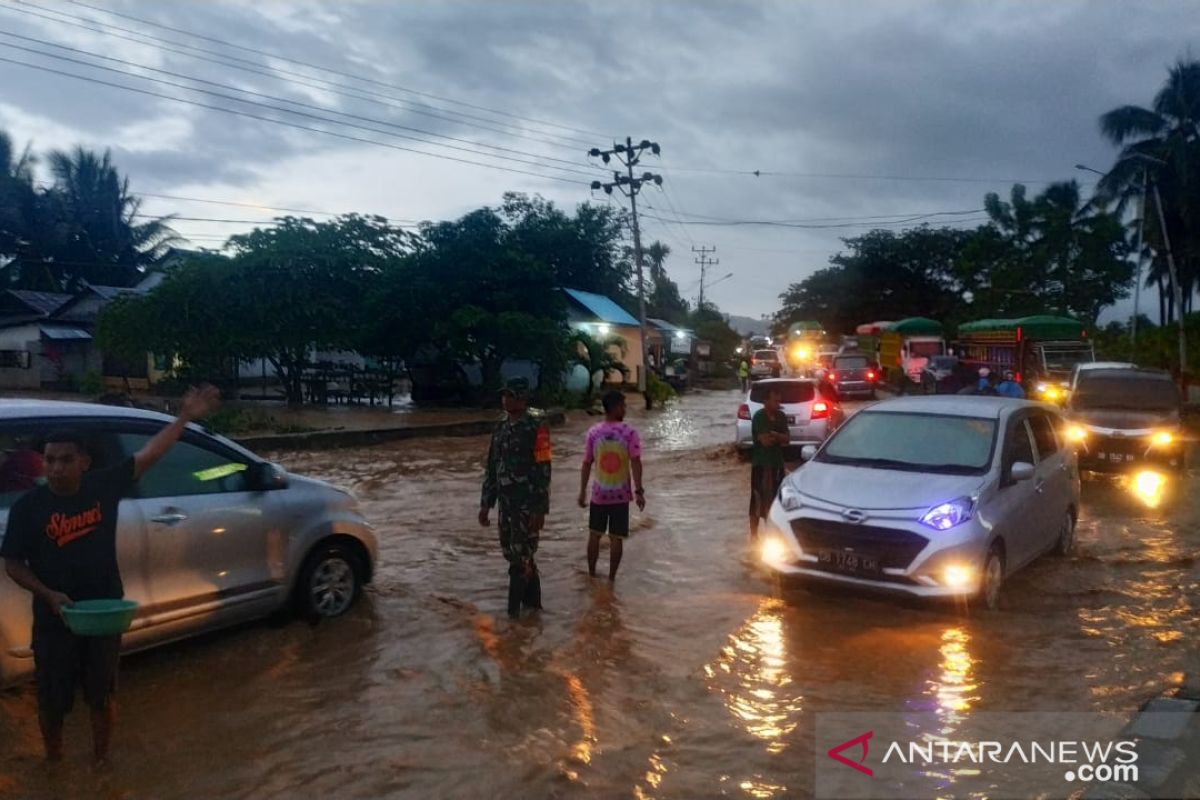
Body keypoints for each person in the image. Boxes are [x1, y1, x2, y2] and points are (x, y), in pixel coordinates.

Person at [1, 385, 221, 766]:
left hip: (103, 612)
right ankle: (55, 764)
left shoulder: (103, 486)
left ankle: (101, 766)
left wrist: (185, 417)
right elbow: (13, 564)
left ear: (84, 462)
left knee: (102, 696)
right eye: (50, 460)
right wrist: (48, 594)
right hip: (54, 618)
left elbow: (152, 454)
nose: (56, 468)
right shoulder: (28, 508)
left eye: (66, 460)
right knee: (52, 702)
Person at [479, 377, 552, 619]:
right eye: (504, 395)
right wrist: (486, 503)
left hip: (526, 503)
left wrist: (540, 508)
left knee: (520, 559)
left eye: (510, 395)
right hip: (505, 503)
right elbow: (492, 466)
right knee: (514, 553)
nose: (505, 399)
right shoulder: (500, 427)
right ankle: (533, 609)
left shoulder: (536, 426)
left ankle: (513, 618)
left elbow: (544, 468)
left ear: (521, 398)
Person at [578, 391, 644, 582]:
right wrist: (639, 491)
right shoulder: (629, 433)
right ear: (615, 408)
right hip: (620, 496)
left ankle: (591, 575)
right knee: (617, 538)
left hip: (599, 494)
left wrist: (582, 491)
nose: (625, 409)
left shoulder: (593, 432)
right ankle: (611, 579)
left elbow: (586, 463)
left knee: (594, 535)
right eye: (623, 406)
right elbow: (636, 462)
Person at [749, 385, 790, 538]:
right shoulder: (759, 417)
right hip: (761, 464)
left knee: (775, 500)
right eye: (775, 401)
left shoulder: (781, 416)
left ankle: (771, 534)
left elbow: (787, 440)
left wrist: (774, 435)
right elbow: (765, 441)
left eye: (779, 401)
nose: (778, 404)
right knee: (757, 499)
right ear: (766, 401)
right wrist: (778, 436)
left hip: (777, 464)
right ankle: (754, 536)